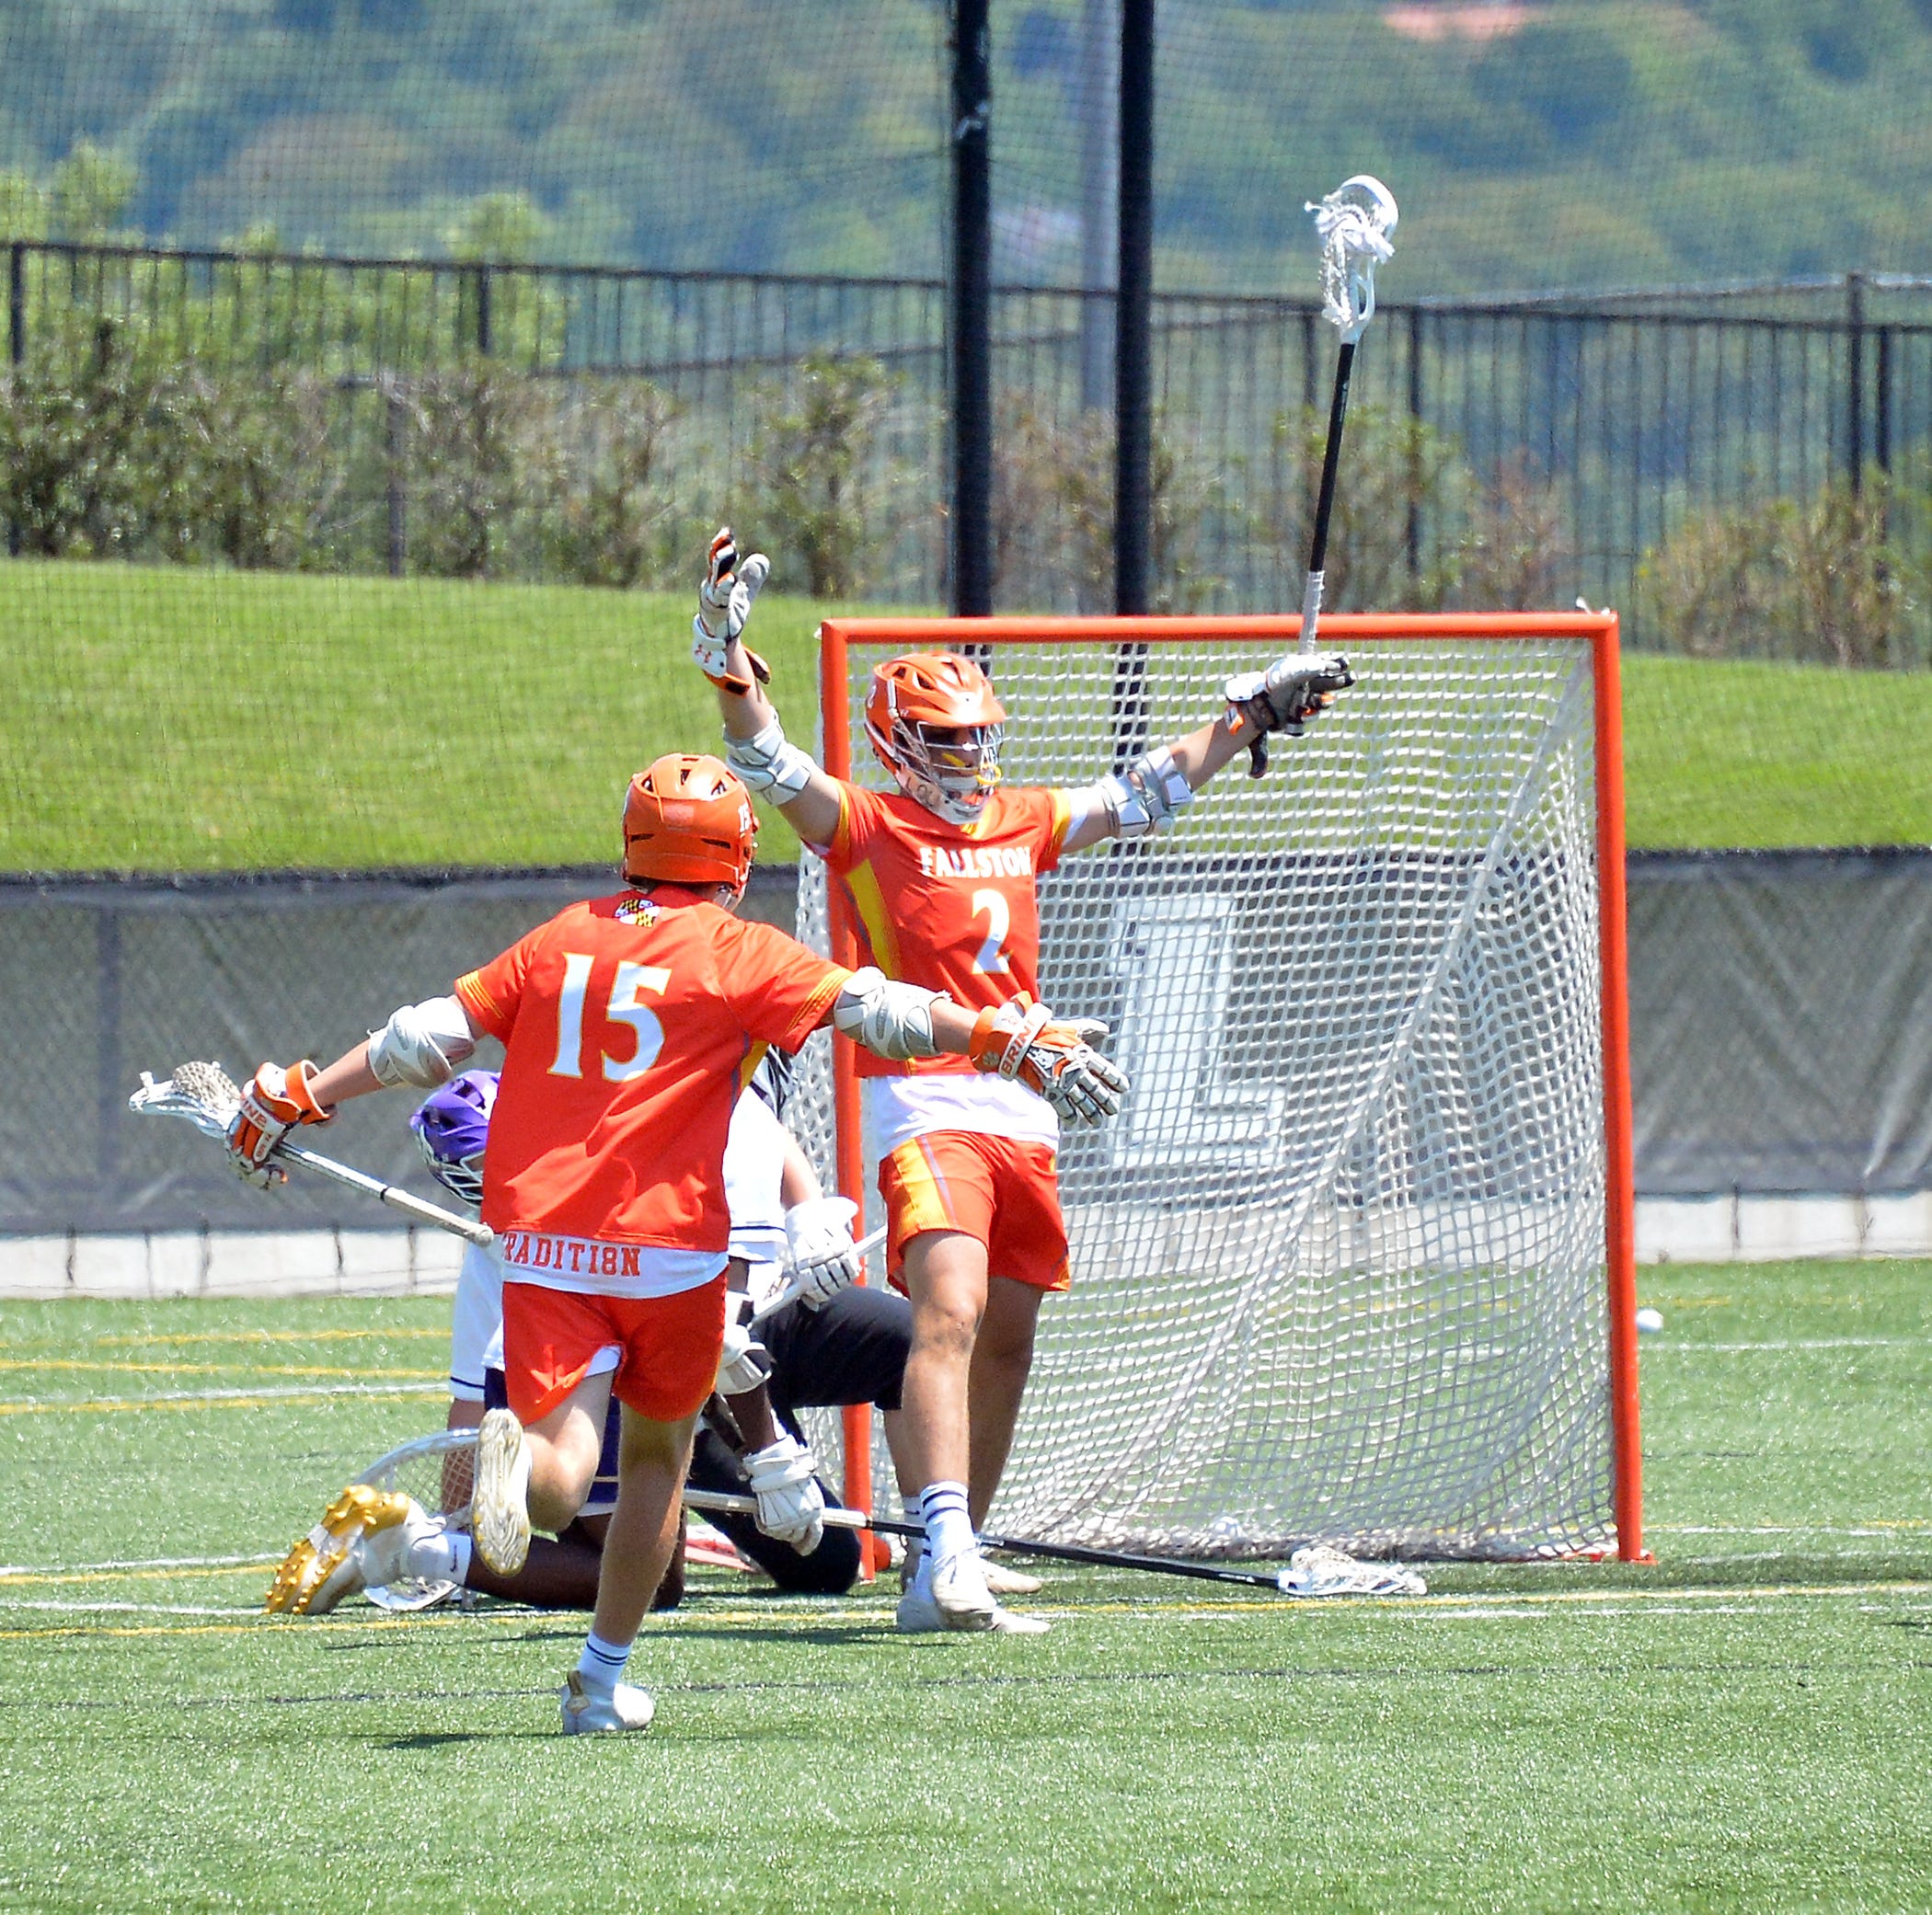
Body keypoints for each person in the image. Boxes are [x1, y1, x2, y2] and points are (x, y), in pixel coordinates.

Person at [230, 751, 1121, 1733]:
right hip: (671, 1253)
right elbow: (888, 1011)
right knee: (654, 1460)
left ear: (631, 848)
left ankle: (515, 1468)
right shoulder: (740, 952)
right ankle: (598, 1685)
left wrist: (301, 1093)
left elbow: (418, 1041)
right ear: (736, 856)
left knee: (561, 1477)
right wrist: (1006, 1041)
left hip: (545, 1246)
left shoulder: (556, 939)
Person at [693, 528, 1351, 1635]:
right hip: (926, 1105)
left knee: (1007, 1336)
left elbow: (1144, 791)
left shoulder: (1020, 817)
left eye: (976, 738)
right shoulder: (868, 823)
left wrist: (1249, 717)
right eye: (944, 741)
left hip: (1031, 1105)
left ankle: (960, 1550)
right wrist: (723, 647)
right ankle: (942, 1544)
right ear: (899, 743)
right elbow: (766, 763)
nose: (965, 758)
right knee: (942, 1316)